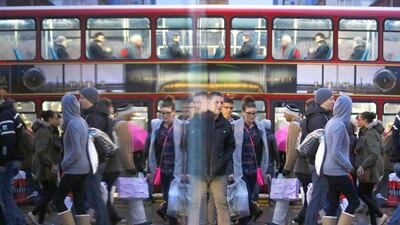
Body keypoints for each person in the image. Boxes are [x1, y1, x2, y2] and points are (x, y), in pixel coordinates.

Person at [186, 91, 235, 225]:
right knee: (196, 206)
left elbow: (230, 147)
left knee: (222, 205)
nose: (219, 105)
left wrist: (224, 162)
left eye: (221, 102)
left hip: (219, 173)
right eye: (216, 102)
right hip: (198, 173)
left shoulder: (225, 124)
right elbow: (187, 147)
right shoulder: (195, 122)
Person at [53, 94, 91, 225]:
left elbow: (76, 150)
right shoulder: (81, 121)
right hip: (83, 168)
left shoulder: (73, 124)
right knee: (79, 202)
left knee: (58, 200)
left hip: (74, 169)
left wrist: (64, 164)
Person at [322, 95, 360, 225]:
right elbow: (336, 151)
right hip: (338, 170)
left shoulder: (331, 122)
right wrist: (349, 167)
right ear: (346, 109)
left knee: (333, 202)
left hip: (329, 170)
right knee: (355, 201)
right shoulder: (339, 125)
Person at [147, 96, 185, 225]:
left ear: (174, 112)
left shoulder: (181, 127)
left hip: (176, 169)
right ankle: (169, 215)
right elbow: (150, 147)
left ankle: (170, 218)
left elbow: (186, 150)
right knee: (168, 195)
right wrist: (149, 168)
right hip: (162, 169)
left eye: (168, 113)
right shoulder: (157, 126)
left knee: (173, 196)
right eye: (162, 113)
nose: (165, 115)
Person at [232, 96, 269, 224]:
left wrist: (266, 169)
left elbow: (264, 150)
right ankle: (246, 218)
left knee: (249, 199)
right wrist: (230, 171)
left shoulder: (260, 127)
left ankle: (244, 220)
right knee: (244, 200)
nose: (252, 116)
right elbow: (229, 151)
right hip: (240, 170)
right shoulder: (235, 127)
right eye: (248, 113)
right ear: (242, 112)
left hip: (254, 170)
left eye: (254, 113)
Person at [113, 105, 151, 225]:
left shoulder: (114, 123)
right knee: (135, 194)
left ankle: (135, 220)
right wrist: (131, 167)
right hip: (123, 167)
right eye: (132, 112)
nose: (133, 114)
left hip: (116, 165)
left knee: (130, 195)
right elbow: (125, 150)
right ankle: (140, 221)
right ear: (126, 113)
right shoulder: (123, 125)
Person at [79, 87, 111, 225]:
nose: (80, 100)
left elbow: (92, 142)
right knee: (92, 194)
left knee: (95, 196)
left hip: (93, 161)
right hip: (93, 161)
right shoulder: (92, 114)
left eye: (82, 98)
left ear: (90, 100)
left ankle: (103, 222)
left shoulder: (94, 117)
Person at [304, 88, 334, 225]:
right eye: (330, 99)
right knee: (317, 198)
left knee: (319, 197)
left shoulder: (317, 115)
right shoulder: (319, 118)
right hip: (319, 163)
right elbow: (323, 143)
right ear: (323, 101)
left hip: (317, 162)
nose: (333, 101)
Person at [267, 104, 302, 225]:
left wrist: (286, 168)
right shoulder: (300, 123)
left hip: (292, 167)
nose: (284, 115)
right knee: (287, 196)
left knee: (282, 195)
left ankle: (277, 221)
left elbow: (292, 150)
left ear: (291, 113)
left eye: (285, 113)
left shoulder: (293, 126)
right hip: (299, 166)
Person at [28, 110, 62, 225]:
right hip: (45, 168)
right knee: (52, 192)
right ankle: (33, 213)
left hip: (45, 166)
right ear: (50, 119)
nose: (59, 120)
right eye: (56, 118)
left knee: (46, 193)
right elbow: (41, 151)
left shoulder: (48, 130)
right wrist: (51, 164)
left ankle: (40, 221)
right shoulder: (45, 131)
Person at [355, 112, 388, 225]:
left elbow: (374, 153)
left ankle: (380, 215)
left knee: (361, 192)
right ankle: (375, 222)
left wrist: (362, 166)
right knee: (368, 195)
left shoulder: (369, 133)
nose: (357, 121)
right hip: (374, 167)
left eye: (359, 119)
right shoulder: (375, 131)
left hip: (370, 168)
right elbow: (380, 149)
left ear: (365, 121)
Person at [0, 98, 27, 225]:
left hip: (9, 160)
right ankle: (19, 221)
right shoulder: (12, 112)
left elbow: (7, 140)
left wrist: (3, 162)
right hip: (15, 159)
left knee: (5, 194)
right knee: (6, 194)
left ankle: (13, 222)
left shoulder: (5, 114)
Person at [99, 98, 125, 225]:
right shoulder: (111, 123)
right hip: (113, 166)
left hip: (109, 167)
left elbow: (110, 147)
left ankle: (109, 217)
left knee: (105, 194)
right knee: (107, 193)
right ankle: (113, 216)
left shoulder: (107, 123)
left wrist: (103, 165)